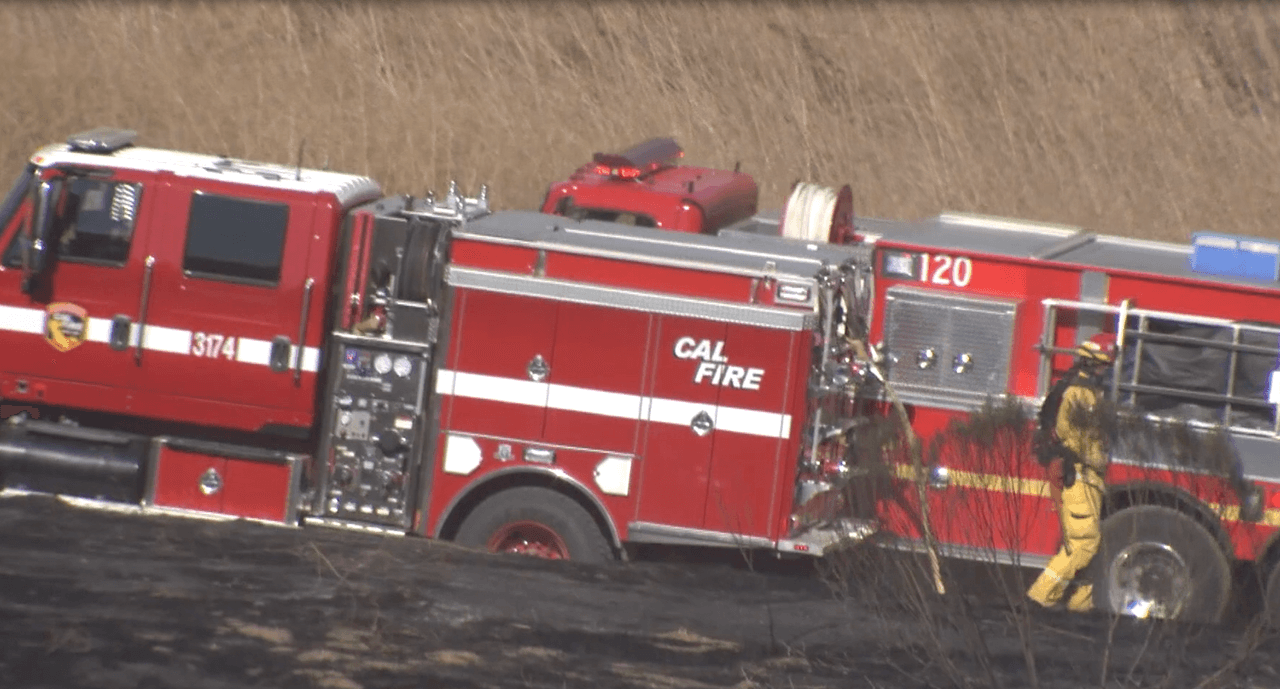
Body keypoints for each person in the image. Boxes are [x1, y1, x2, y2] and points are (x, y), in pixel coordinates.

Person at [1026, 332, 1117, 611]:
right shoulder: (1079, 393)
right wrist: (1097, 459)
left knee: (1094, 545)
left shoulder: (1087, 391)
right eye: (1104, 365)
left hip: (1087, 476)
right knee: (1084, 542)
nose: (1107, 370)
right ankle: (1039, 599)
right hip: (1078, 473)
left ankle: (1080, 606)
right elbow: (1072, 436)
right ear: (1094, 364)